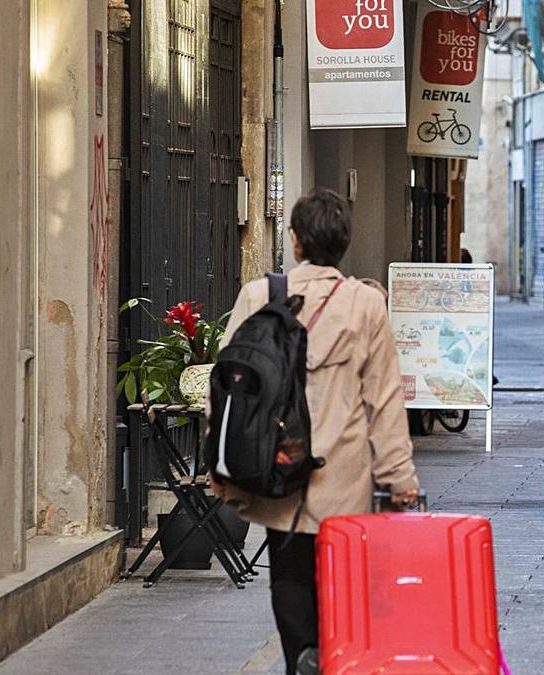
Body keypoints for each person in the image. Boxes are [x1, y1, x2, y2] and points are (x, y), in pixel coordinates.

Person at [212, 187, 419, 674]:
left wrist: (220, 461)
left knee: (287, 565)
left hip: (276, 461)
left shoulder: (258, 295)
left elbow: (225, 384)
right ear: (343, 244)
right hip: (341, 472)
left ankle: (301, 657)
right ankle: (332, 654)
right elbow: (384, 399)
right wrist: (399, 478)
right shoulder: (365, 305)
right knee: (339, 575)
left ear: (296, 242)